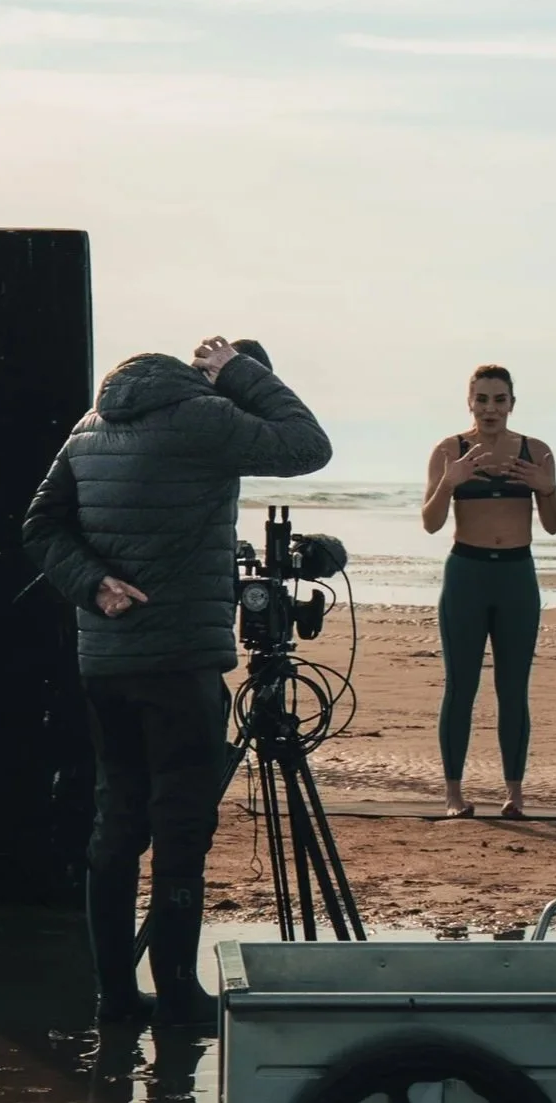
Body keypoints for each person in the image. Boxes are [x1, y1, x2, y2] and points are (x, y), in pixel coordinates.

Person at [24, 334, 330, 1034]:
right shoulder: (206, 417)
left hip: (104, 660)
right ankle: (178, 996)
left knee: (117, 824)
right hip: (181, 660)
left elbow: (39, 524)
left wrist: (91, 583)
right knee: (180, 828)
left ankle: (115, 997)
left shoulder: (90, 423)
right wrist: (243, 373)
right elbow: (307, 444)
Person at [421, 365, 556, 819]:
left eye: (499, 400)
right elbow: (430, 522)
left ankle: (515, 795)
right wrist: (451, 480)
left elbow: (555, 524)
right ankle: (453, 796)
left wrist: (548, 488)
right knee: (460, 686)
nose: (490, 409)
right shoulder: (448, 450)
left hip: (517, 576)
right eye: (482, 399)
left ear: (512, 404)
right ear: (469, 402)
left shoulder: (536, 451)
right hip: (467, 574)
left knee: (513, 687)